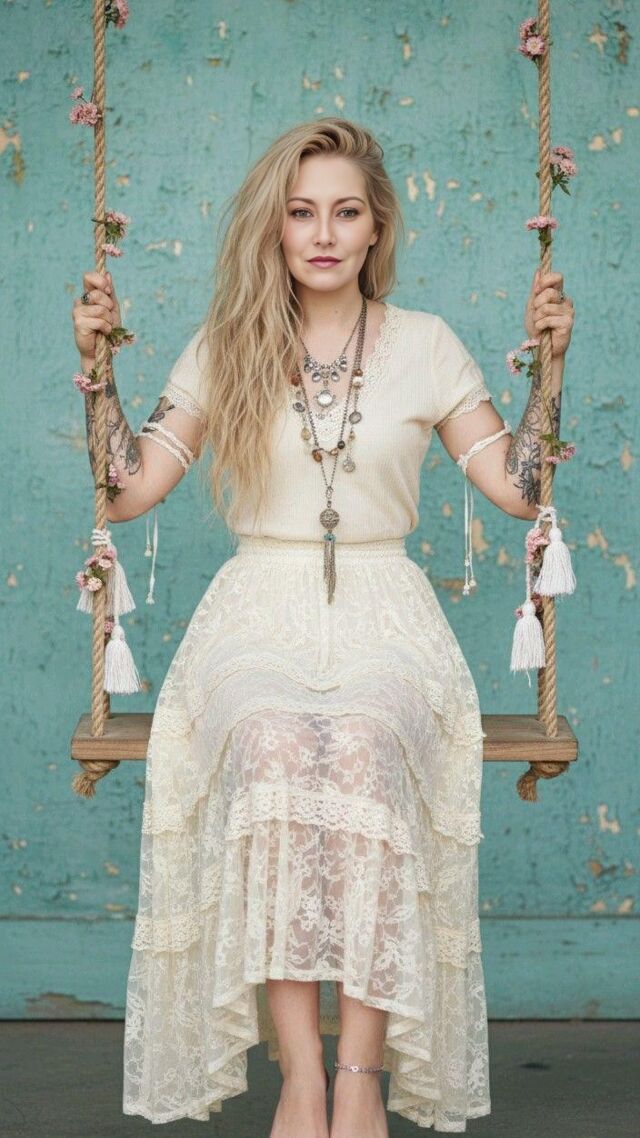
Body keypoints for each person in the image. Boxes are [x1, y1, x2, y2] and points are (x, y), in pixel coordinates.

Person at [72, 117, 573, 1137]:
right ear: (277, 227)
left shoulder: (425, 345)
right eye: (302, 213)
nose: (323, 233)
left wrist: (550, 370)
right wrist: (98, 366)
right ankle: (301, 1075)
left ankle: (359, 1074)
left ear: (375, 226)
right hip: (257, 608)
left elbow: (521, 490)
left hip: (386, 610)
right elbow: (125, 490)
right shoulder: (228, 347)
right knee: (266, 744)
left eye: (345, 212)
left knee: (365, 747)